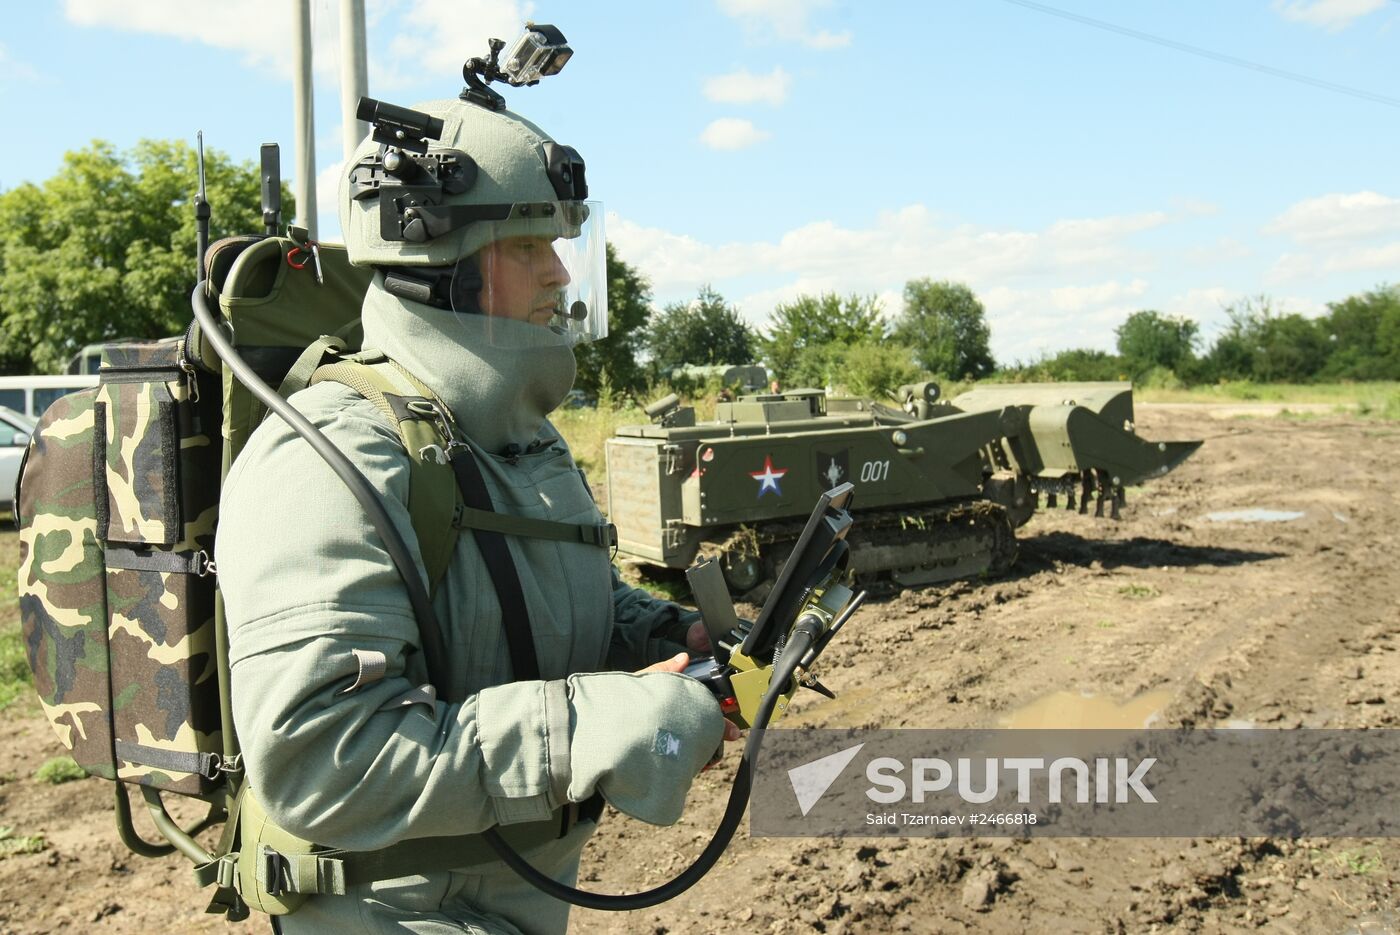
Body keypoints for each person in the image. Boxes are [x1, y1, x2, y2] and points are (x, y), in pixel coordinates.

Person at [216, 96, 736, 934]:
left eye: (563, 244)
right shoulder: (329, 454)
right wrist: (593, 725)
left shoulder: (518, 440)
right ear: (438, 259)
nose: (561, 275)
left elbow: (545, 595)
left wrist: (663, 638)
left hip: (511, 906)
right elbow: (321, 756)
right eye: (528, 246)